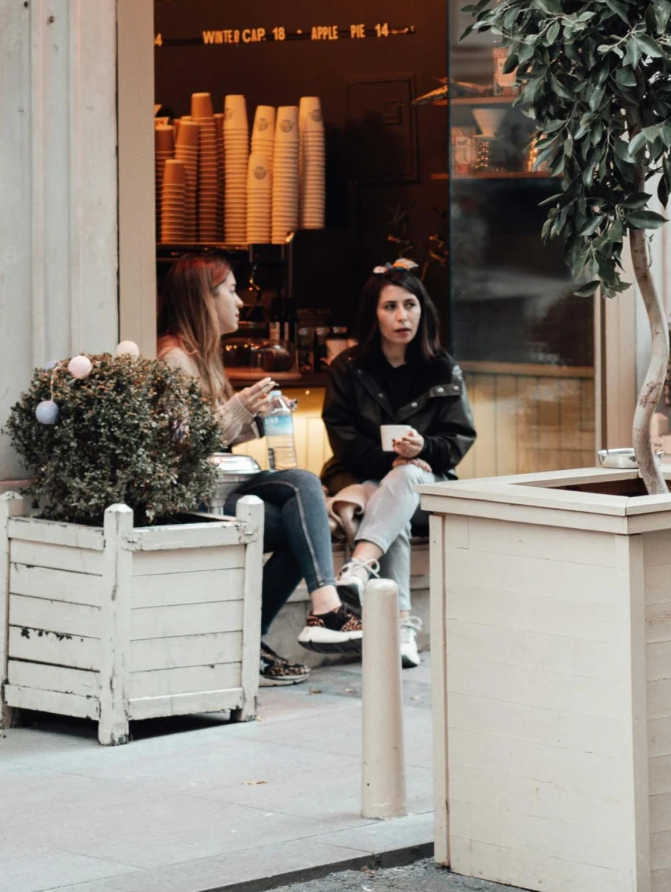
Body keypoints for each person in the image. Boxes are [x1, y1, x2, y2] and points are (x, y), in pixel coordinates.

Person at [157, 252, 362, 673]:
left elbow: (219, 434)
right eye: (231, 291)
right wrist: (237, 410)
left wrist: (261, 419)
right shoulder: (173, 358)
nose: (240, 302)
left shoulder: (202, 353)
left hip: (220, 487)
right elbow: (184, 444)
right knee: (302, 510)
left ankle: (276, 628)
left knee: (303, 496)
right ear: (204, 298)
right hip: (196, 499)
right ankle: (308, 614)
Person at [322, 261, 476, 669]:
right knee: (397, 503)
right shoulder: (347, 369)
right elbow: (342, 436)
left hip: (430, 484)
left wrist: (424, 446)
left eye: (410, 305)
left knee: (407, 479)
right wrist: (391, 461)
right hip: (364, 481)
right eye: (390, 307)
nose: (402, 316)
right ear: (373, 313)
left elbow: (459, 438)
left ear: (423, 310)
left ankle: (358, 566)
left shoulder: (443, 367)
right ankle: (403, 628)